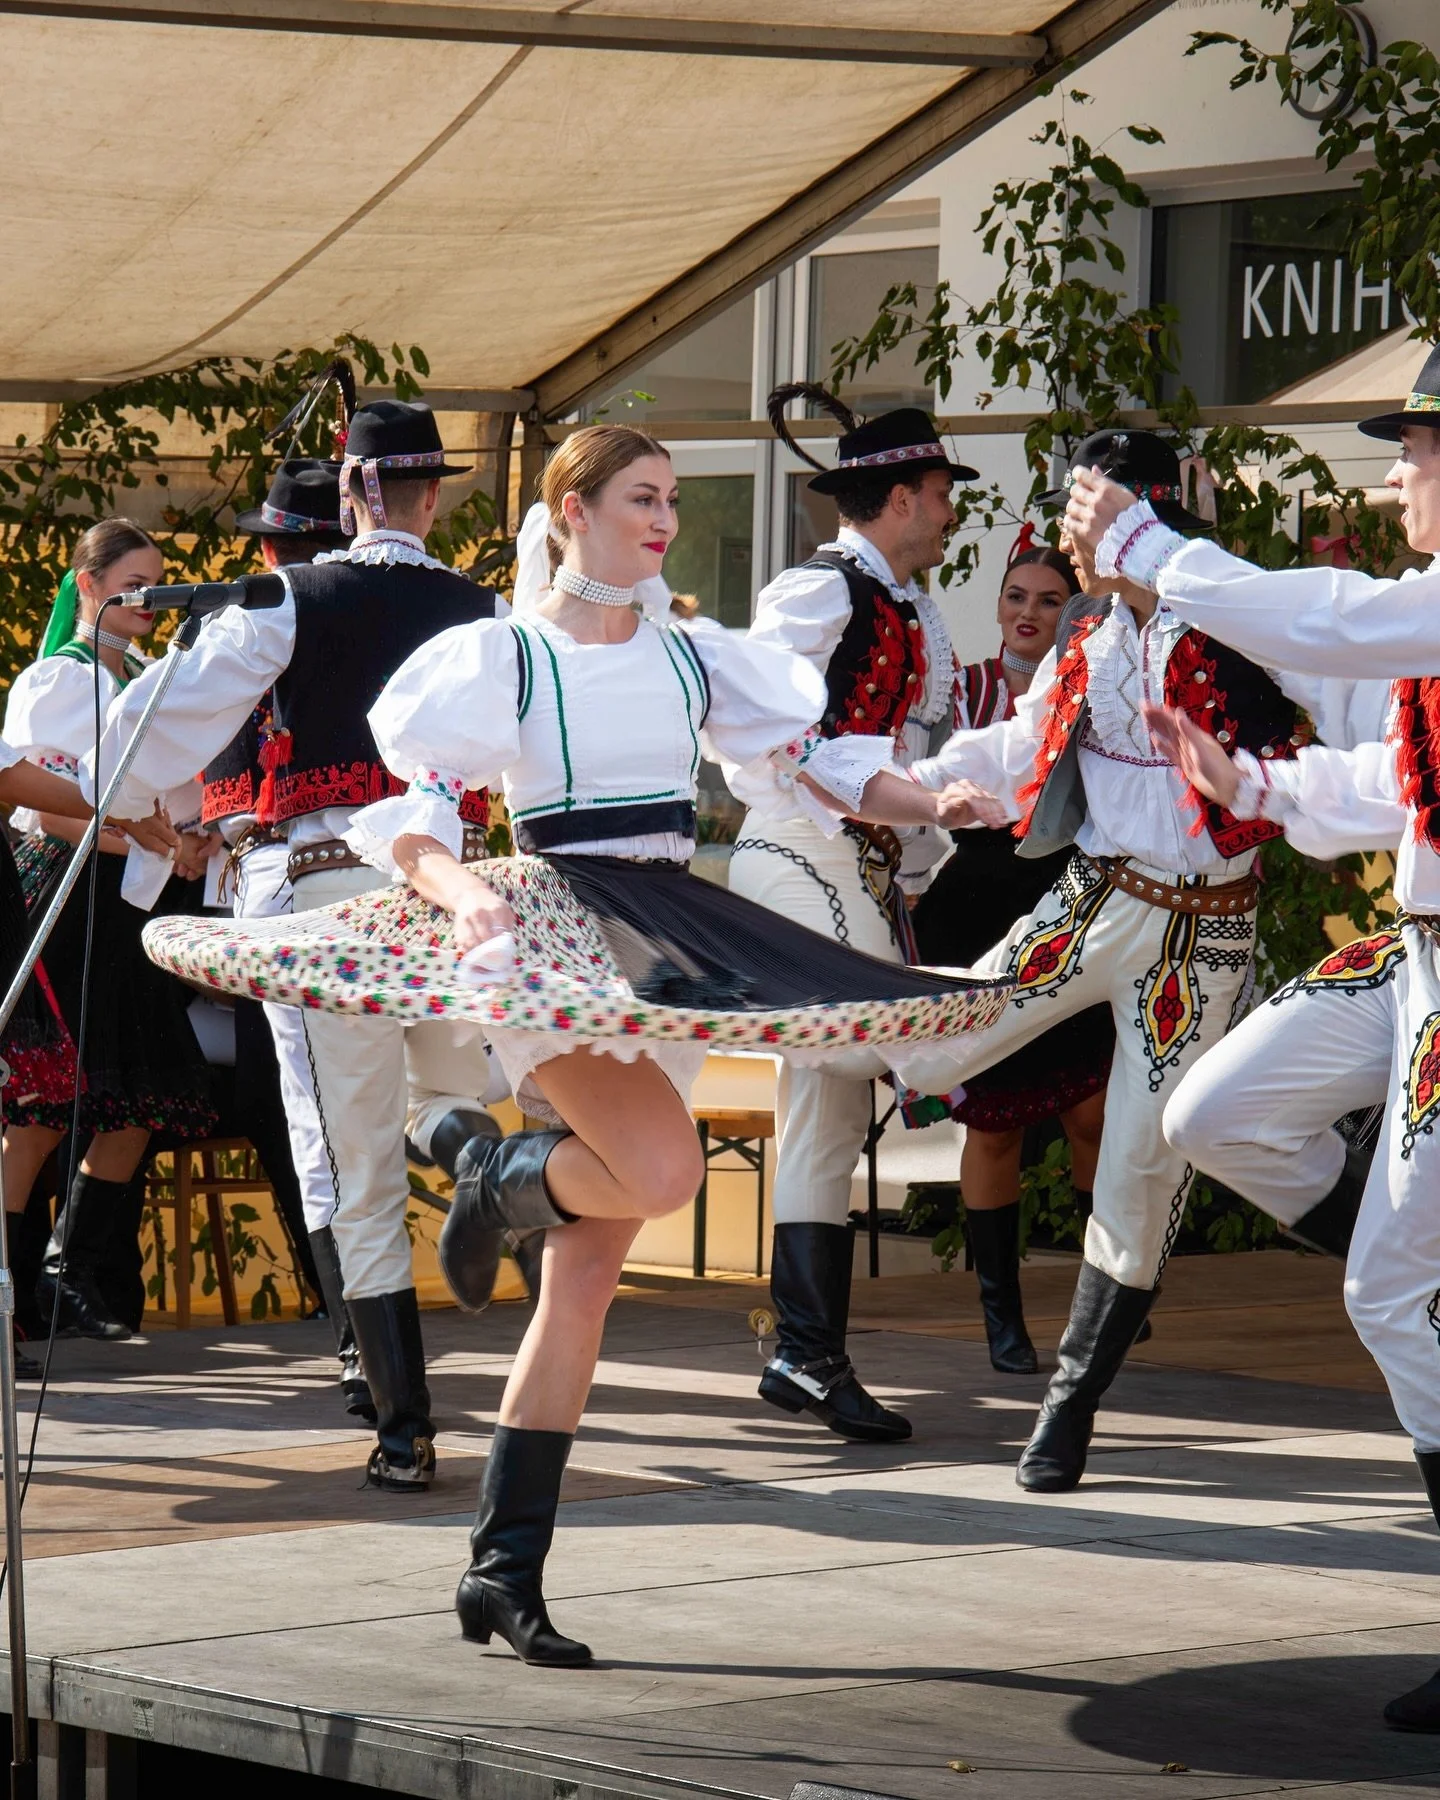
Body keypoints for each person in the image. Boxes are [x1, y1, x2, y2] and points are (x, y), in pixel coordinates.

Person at [142, 423, 1012, 1667]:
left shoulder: (693, 655)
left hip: (672, 946)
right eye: (642, 498)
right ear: (575, 509)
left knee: (587, 1287)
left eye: (670, 500)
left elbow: (809, 767)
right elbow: (415, 818)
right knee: (661, 1175)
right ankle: (499, 1174)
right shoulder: (505, 656)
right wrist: (466, 899)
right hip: (549, 941)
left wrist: (937, 798)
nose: (664, 520)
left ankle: (501, 1567)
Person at [1062, 343, 1440, 1733]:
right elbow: (1401, 793)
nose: (1399, 471)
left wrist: (1157, 541)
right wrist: (1256, 780)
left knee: (1389, 1296)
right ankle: (1419, 1253)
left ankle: (1415, 1268)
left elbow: (1328, 623)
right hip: (1416, 954)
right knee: (1211, 1113)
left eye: (1418, 447)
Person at [89, 399, 507, 1491]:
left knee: (344, 1148)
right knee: (435, 1084)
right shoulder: (487, 611)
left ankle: (404, 1427)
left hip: (320, 896)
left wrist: (122, 801)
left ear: (355, 490)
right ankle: (469, 1158)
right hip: (448, 895)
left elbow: (154, 728)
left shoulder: (287, 598)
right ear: (432, 492)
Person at [903, 429, 1317, 1494]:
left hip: (1202, 934)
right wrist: (914, 785)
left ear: (1137, 513)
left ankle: (1070, 1402)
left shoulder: (1236, 616)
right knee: (943, 1032)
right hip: (1093, 898)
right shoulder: (1088, 633)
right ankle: (765, 1014)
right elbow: (1020, 744)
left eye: (1083, 510)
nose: (1067, 536)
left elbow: (1323, 704)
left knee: (1139, 1159)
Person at [726, 384, 980, 1444]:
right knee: (865, 1044)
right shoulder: (817, 593)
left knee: (823, 1114)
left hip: (857, 860)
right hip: (795, 852)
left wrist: (935, 804)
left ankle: (806, 1353)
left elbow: (898, 744)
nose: (950, 510)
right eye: (937, 492)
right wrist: (920, 802)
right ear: (895, 498)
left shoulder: (903, 601)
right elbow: (772, 737)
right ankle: (804, 1347)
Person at [2, 520, 216, 1341]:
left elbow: (168, 796)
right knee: (39, 1109)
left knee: (144, 1092)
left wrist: (185, 836)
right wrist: (136, 834)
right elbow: (35, 809)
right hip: (60, 899)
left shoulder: (150, 680)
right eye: (132, 583)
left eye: (157, 584)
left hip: (124, 901)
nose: (147, 601)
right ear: (88, 584)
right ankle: (18, 1279)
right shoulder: (58, 679)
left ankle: (71, 1268)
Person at [910, 537, 1114, 1373]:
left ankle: (1110, 1294)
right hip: (978, 906)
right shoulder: (962, 690)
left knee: (1092, 1112)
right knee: (996, 1125)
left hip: (1072, 897)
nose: (1028, 612)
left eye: (1047, 599)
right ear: (998, 606)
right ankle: (1003, 1317)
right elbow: (913, 781)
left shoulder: (1101, 680)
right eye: (1015, 596)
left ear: (1073, 610)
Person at [207, 456, 372, 1422]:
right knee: (433, 1085)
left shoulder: (251, 620)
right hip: (414, 879)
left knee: (320, 1117)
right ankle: (363, 1334)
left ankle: (360, 1340)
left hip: (291, 884)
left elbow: (212, 786)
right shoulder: (405, 612)